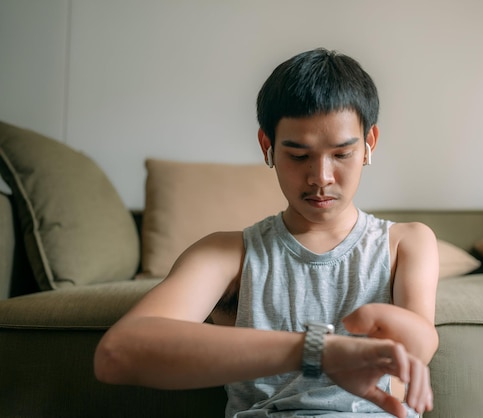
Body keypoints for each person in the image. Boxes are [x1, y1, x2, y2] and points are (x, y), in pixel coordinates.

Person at [94, 47, 439, 417]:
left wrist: (391, 330)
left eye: (341, 154)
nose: (321, 177)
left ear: (369, 145)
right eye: (298, 155)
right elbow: (118, 353)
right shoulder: (227, 255)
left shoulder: (407, 242)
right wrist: (319, 350)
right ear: (267, 146)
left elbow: (421, 346)